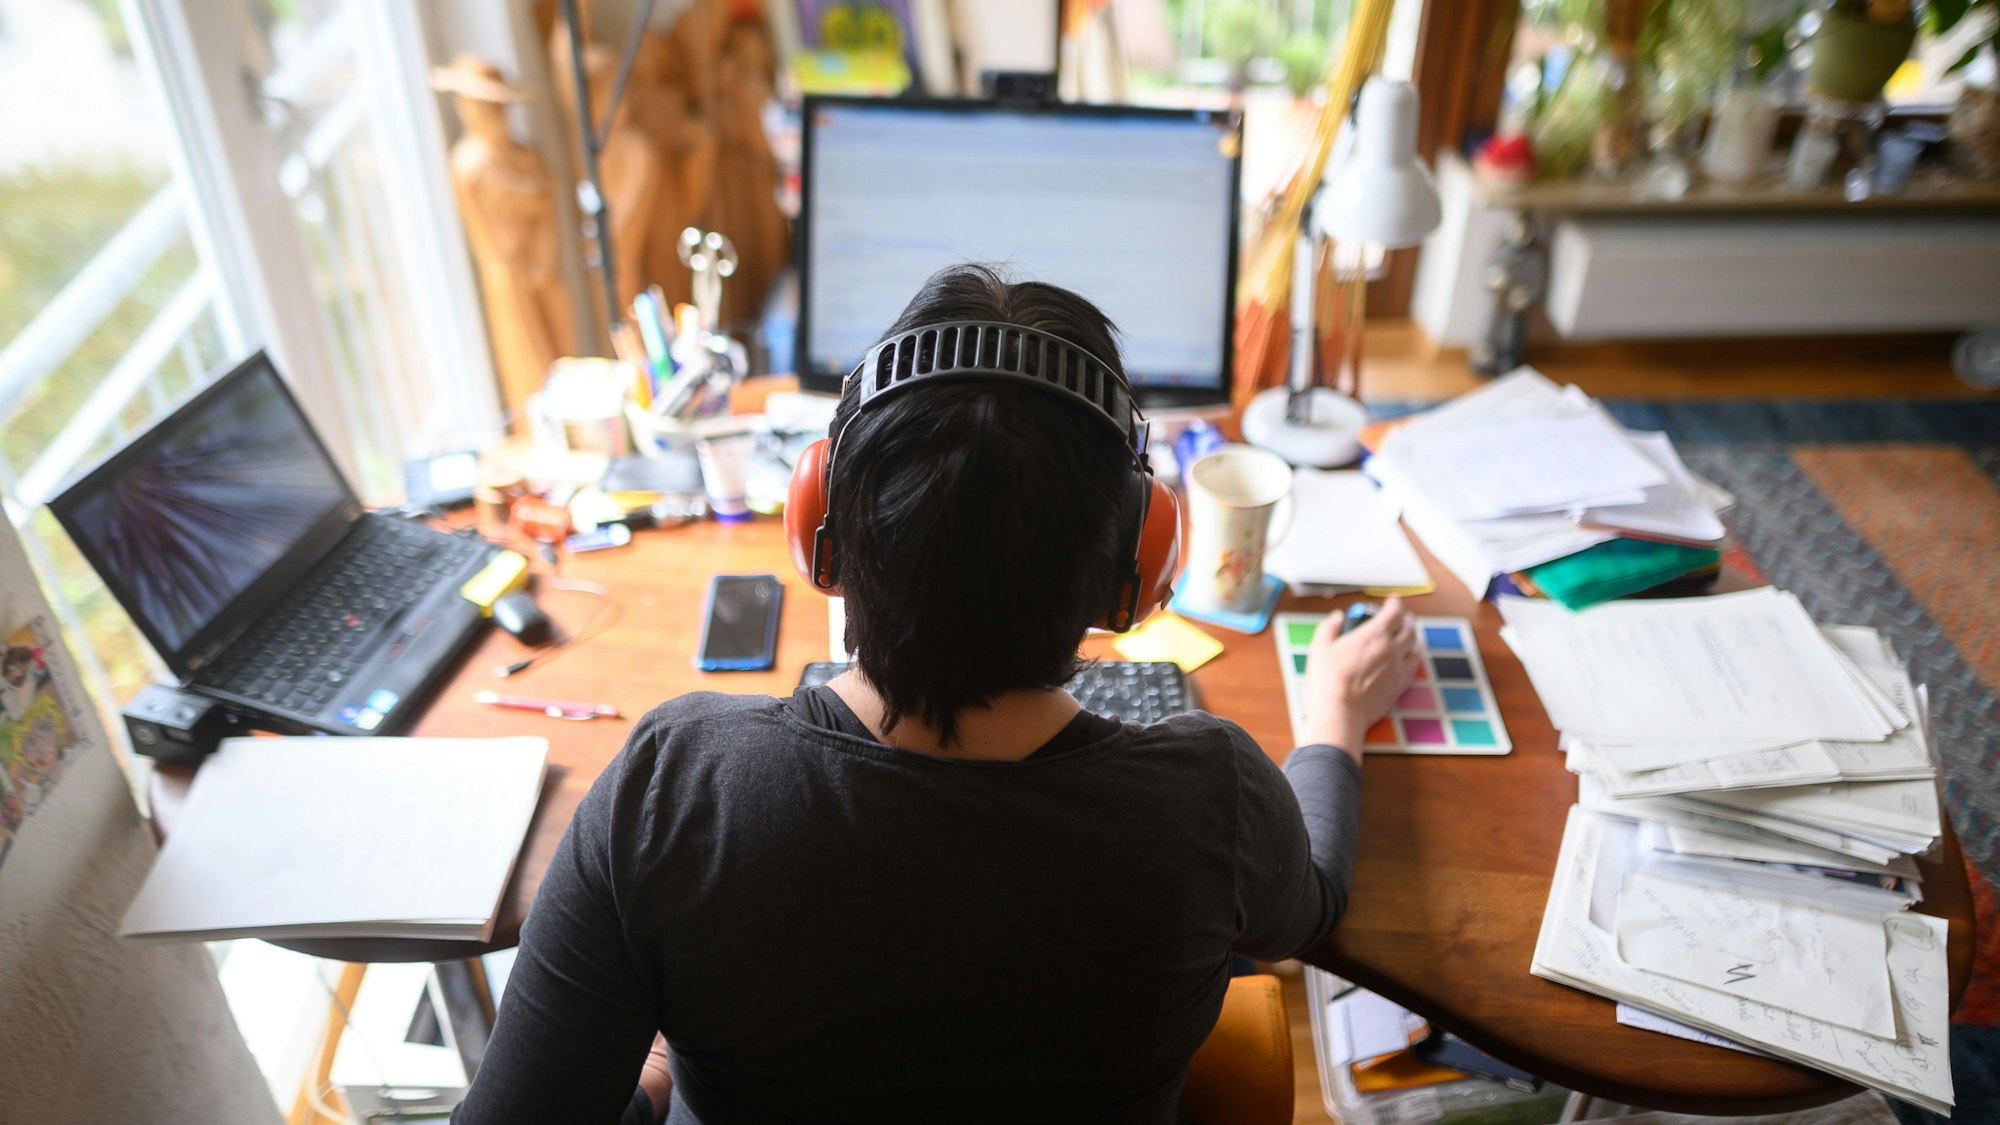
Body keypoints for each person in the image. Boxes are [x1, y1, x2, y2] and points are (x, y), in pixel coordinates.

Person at [451, 265, 1419, 1125]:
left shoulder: (672, 790)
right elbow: (1311, 907)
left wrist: (653, 1088)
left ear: (818, 522)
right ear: (1132, 565)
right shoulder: (1210, 799)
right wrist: (1331, 719)